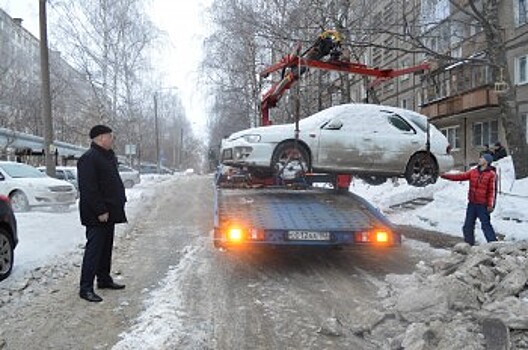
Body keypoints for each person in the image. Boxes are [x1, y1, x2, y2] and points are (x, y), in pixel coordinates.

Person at [77, 125, 127, 302]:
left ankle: (104, 279)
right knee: (94, 250)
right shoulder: (89, 158)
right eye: (109, 136)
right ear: (100, 138)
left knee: (106, 249)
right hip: (97, 214)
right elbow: (89, 188)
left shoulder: (108, 156)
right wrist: (100, 210)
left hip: (109, 212)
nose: (112, 139)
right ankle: (85, 288)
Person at [440, 153, 497, 246]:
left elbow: (492, 191)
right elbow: (460, 176)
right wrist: (444, 175)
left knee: (486, 226)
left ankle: (494, 245)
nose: (479, 159)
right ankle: (469, 244)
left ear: (487, 161)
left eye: (482, 158)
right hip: (472, 204)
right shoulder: (473, 171)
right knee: (467, 226)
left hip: (482, 205)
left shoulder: (491, 174)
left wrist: (490, 205)